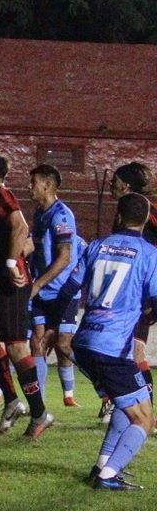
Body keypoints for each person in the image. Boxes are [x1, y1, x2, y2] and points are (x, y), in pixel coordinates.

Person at [50, 193, 157, 489]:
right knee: (145, 420)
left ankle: (102, 466)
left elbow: (68, 289)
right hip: (112, 349)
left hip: (84, 344)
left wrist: (54, 327)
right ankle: (109, 476)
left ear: (118, 216)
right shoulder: (149, 254)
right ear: (145, 220)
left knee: (126, 405)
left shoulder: (96, 246)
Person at [0, 153, 52, 439]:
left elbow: (21, 227)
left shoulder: (0, 196)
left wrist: (9, 263)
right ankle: (11, 400)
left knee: (17, 347)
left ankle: (40, 414)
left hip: (11, 285)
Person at [103, 161, 157, 418]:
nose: (110, 186)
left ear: (125, 186)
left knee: (134, 351)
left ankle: (147, 414)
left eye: (114, 182)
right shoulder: (125, 214)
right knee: (123, 351)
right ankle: (122, 403)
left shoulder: (147, 212)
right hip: (126, 296)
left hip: (142, 296)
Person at [27, 164, 81, 407]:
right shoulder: (39, 213)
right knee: (37, 342)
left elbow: (64, 257)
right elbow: (34, 246)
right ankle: (39, 405)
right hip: (41, 291)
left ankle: (104, 388)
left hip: (62, 292)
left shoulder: (61, 215)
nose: (29, 187)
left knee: (63, 345)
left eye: (33, 183)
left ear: (47, 186)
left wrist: (37, 284)